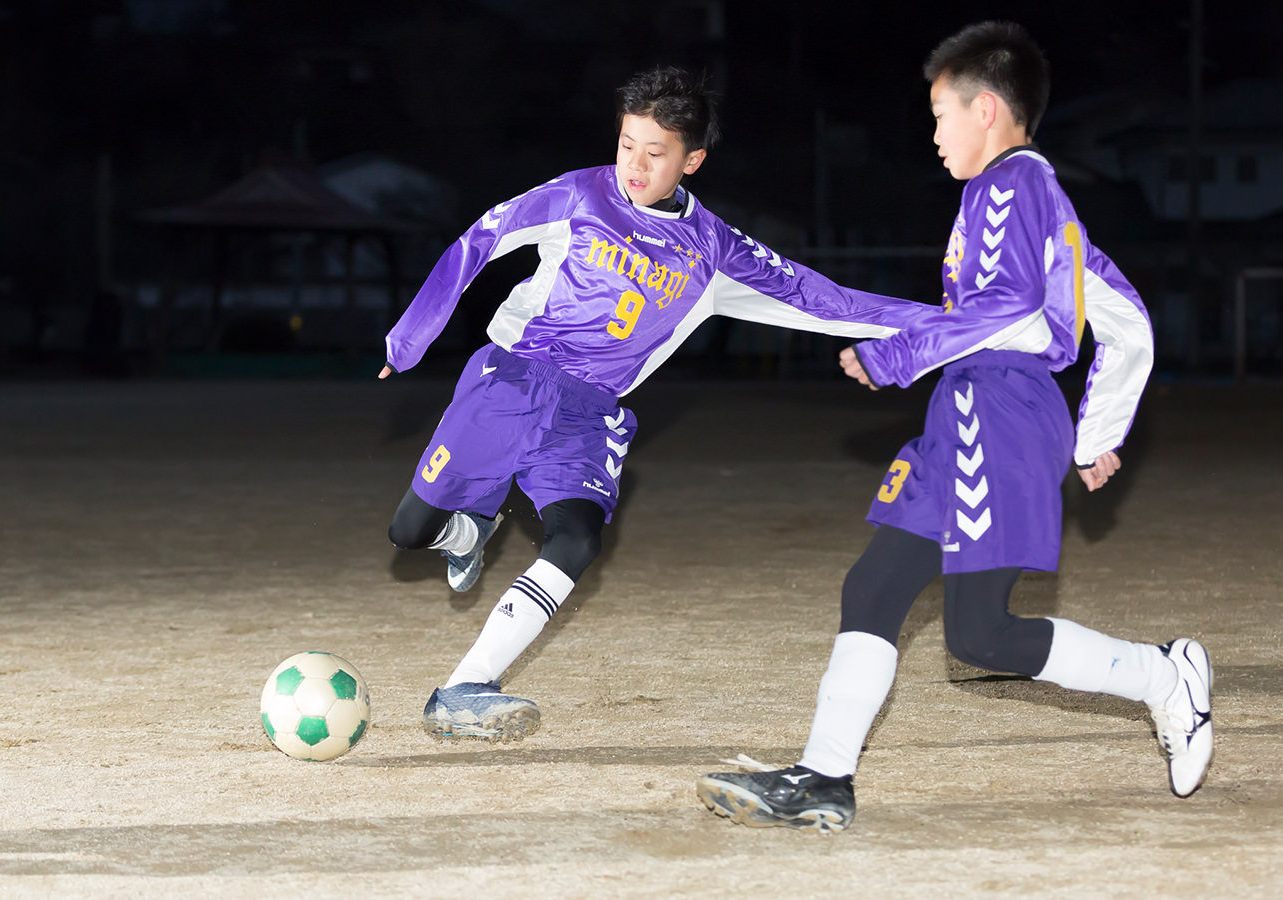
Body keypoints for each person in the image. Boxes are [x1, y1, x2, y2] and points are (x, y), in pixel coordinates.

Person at [697, 21, 1213, 833]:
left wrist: (900, 354)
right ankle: (826, 779)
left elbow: (1004, 311)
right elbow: (1128, 322)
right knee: (879, 590)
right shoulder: (1046, 205)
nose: (933, 134)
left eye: (941, 115)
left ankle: (1162, 677)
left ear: (989, 111)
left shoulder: (1009, 186)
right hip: (976, 408)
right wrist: (1092, 433)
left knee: (981, 632)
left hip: (997, 410)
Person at [380, 65, 925, 741]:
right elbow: (478, 240)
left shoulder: (713, 249)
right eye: (626, 144)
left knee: (577, 539)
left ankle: (466, 687)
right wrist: (409, 337)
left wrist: (945, 324)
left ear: (692, 160)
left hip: (589, 413)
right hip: (510, 381)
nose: (633, 165)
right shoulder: (578, 195)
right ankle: (468, 531)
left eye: (655, 152)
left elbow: (825, 299)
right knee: (409, 531)